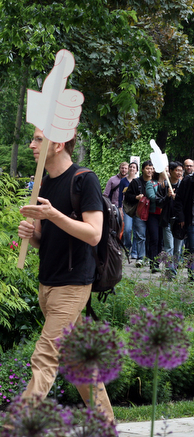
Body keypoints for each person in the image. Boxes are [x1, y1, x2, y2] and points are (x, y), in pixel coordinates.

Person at [17, 127, 114, 421]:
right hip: (48, 283)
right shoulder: (44, 184)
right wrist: (31, 234)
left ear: (57, 144)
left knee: (45, 356)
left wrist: (53, 215)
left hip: (73, 285)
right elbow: (43, 238)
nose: (31, 144)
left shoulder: (85, 180)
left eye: (37, 139)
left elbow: (94, 234)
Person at [142, 161, 166, 272]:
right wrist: (166, 198)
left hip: (164, 216)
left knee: (161, 240)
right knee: (154, 239)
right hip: (153, 215)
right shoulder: (151, 183)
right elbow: (151, 197)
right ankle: (153, 263)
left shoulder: (168, 184)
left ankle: (158, 261)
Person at [124, 162, 149, 267]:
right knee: (139, 235)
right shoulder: (136, 182)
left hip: (152, 213)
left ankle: (150, 257)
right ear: (142, 169)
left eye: (151, 168)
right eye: (147, 168)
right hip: (139, 212)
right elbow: (127, 196)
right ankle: (140, 257)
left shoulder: (155, 182)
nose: (150, 171)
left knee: (151, 236)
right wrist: (136, 197)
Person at [119, 161, 137, 256]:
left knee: (136, 230)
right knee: (127, 229)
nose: (132, 169)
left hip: (137, 208)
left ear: (137, 170)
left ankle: (134, 251)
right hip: (127, 207)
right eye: (131, 167)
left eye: (134, 167)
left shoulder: (138, 180)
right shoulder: (123, 181)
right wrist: (119, 207)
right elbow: (120, 195)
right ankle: (127, 246)